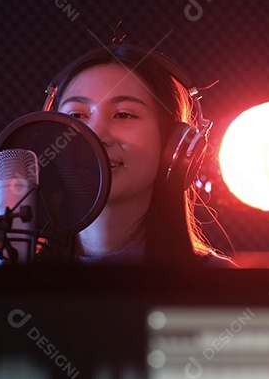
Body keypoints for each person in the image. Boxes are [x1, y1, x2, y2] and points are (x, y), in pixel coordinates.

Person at [45, 43, 233, 267]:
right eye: (77, 115)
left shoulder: (221, 281)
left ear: (173, 143)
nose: (95, 135)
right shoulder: (15, 277)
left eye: (123, 115)